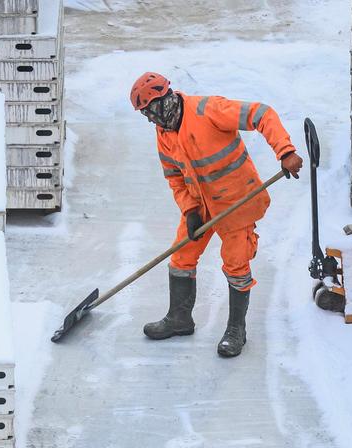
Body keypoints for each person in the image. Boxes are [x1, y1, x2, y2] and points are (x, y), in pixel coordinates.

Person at [130, 72, 303, 358]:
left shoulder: (208, 110)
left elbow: (262, 114)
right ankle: (180, 319)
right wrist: (189, 210)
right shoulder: (164, 133)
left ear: (162, 101)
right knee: (181, 257)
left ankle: (237, 330)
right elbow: (174, 177)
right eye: (144, 114)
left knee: (236, 264)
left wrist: (285, 151)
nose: (149, 119)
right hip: (200, 206)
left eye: (149, 111)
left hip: (236, 203)